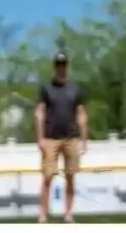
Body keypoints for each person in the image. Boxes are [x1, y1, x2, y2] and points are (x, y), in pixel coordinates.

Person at [35, 51, 89, 223]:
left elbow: (81, 114)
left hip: (71, 138)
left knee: (71, 177)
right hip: (51, 138)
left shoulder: (75, 88)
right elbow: (39, 113)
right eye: (58, 64)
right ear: (54, 67)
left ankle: (68, 214)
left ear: (67, 66)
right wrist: (40, 138)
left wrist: (84, 139)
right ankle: (43, 214)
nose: (61, 68)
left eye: (64, 64)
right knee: (48, 177)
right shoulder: (46, 88)